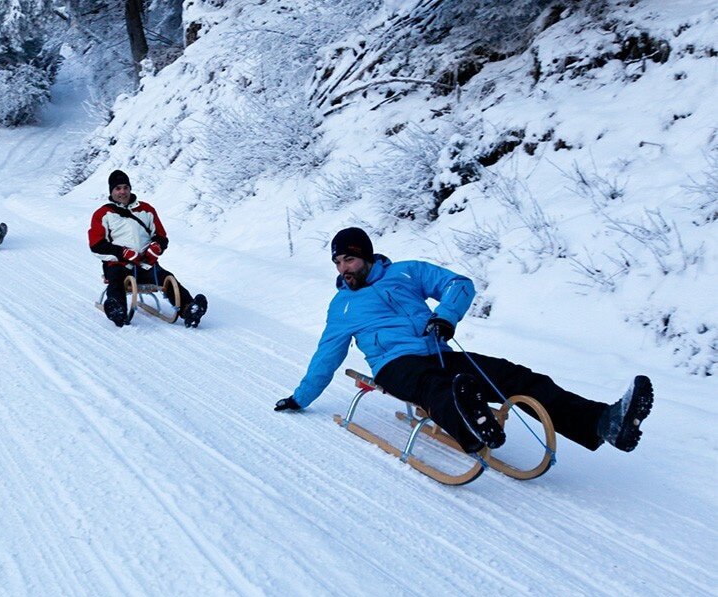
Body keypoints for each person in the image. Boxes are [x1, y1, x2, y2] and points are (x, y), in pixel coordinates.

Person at [274, 227, 654, 455]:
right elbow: (326, 355)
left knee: (511, 375)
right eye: (337, 263)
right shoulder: (341, 306)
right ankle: (472, 428)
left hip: (437, 347)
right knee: (436, 388)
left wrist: (445, 316)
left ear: (366, 256)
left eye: (348, 260)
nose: (343, 269)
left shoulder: (407, 273)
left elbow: (459, 284)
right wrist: (300, 397)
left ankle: (602, 422)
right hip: (395, 365)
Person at [88, 169, 208, 328]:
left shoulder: (146, 209)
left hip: (145, 263)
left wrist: (156, 247)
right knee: (116, 282)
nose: (122, 191)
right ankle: (118, 310)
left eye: (125, 187)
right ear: (111, 191)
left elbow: (161, 236)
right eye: (118, 188)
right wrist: (121, 252)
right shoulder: (103, 213)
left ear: (130, 188)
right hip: (118, 264)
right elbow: (96, 244)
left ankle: (189, 309)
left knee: (167, 278)